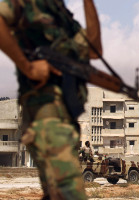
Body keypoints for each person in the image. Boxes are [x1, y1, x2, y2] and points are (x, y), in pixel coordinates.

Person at [0, 0, 102, 199]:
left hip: (66, 118)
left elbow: (94, 49)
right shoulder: (28, 4)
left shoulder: (65, 18)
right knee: (70, 194)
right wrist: (27, 66)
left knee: (56, 194)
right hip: (45, 112)